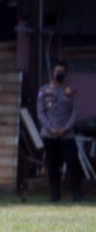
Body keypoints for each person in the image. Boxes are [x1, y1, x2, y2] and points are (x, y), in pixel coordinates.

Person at [37, 62, 83, 202]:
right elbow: (41, 112)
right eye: (57, 71)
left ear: (66, 73)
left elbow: (75, 112)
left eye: (62, 71)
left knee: (73, 164)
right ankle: (55, 194)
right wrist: (51, 129)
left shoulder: (71, 91)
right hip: (49, 134)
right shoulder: (44, 91)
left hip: (67, 135)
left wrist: (65, 128)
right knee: (52, 166)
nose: (59, 74)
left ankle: (76, 194)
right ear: (52, 72)